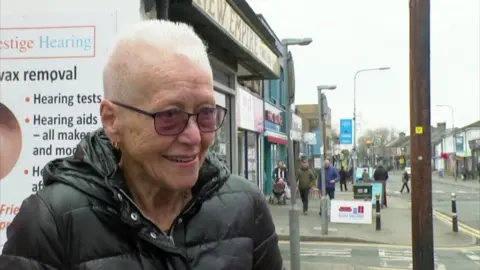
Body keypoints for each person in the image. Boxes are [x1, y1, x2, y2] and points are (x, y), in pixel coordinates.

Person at [0, 21, 282, 270]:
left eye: (206, 114)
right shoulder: (51, 223)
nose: (195, 137)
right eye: (170, 116)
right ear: (111, 119)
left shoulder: (246, 207)